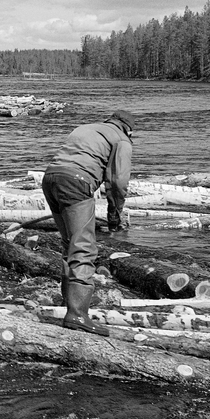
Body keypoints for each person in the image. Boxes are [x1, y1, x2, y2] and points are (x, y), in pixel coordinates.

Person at [40, 110, 135, 337]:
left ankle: (69, 305)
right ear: (129, 129)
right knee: (83, 248)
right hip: (77, 183)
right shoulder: (121, 140)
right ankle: (77, 315)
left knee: (68, 245)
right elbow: (118, 182)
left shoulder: (85, 129)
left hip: (50, 178)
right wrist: (115, 215)